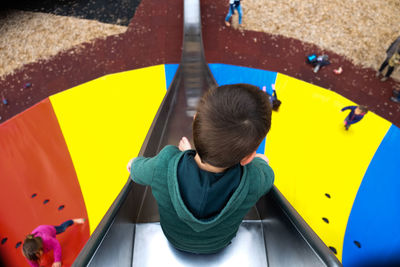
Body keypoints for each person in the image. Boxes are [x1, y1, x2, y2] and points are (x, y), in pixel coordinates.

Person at [127, 84, 274, 254]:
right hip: (219, 244)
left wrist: (184, 155)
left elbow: (136, 170)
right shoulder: (254, 178)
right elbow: (268, 174)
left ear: (195, 120)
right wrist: (260, 160)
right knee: (264, 159)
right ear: (248, 158)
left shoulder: (165, 162)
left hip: (174, 239)